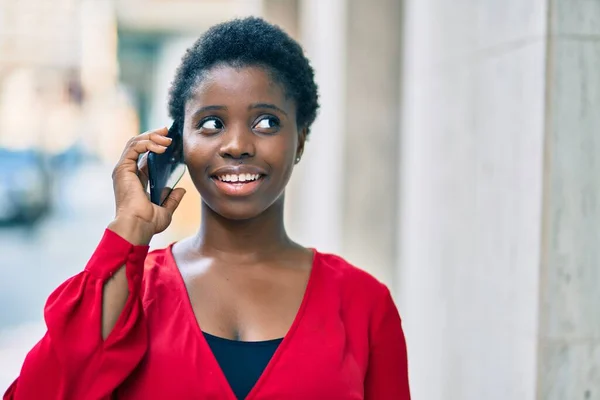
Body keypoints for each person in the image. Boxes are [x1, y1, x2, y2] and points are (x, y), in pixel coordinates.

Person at [4, 17, 410, 400]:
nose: (237, 145)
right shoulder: (131, 292)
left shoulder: (364, 305)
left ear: (300, 140)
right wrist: (129, 229)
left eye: (266, 122)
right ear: (178, 144)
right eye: (211, 124)